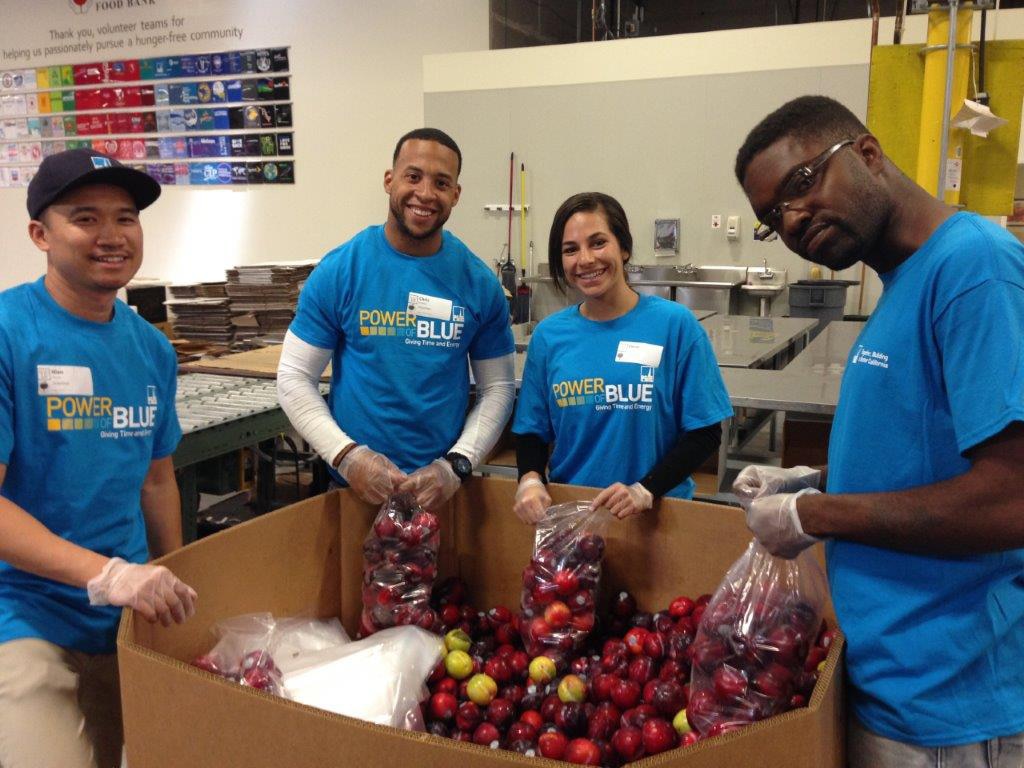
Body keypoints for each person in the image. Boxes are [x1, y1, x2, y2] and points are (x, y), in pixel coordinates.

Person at [732, 95, 1024, 766]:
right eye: (773, 218)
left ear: (867, 153)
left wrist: (817, 513)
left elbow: (1012, 500)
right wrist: (809, 483)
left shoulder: (974, 268)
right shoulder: (905, 283)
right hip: (888, 678)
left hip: (948, 704)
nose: (794, 220)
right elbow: (923, 460)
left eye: (801, 185)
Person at [0, 148, 198, 768]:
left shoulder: (150, 348)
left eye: (126, 217)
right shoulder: (10, 334)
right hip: (26, 616)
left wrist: (172, 574)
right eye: (85, 218)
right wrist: (107, 574)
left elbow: (157, 480)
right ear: (40, 233)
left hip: (124, 621)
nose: (111, 236)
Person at [277, 128, 515, 509]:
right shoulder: (342, 270)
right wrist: (347, 456)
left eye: (441, 183)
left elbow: (498, 388)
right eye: (413, 176)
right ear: (390, 181)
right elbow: (293, 377)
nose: (425, 193)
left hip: (440, 495)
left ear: (455, 194)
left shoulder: (478, 284)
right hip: (352, 492)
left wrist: (456, 465)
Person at [511, 192, 732, 522]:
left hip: (659, 513)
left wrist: (645, 490)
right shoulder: (549, 336)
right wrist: (529, 479)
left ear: (623, 247)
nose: (585, 259)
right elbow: (532, 429)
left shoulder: (675, 325)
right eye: (570, 250)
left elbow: (705, 431)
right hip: (575, 513)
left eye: (598, 242)